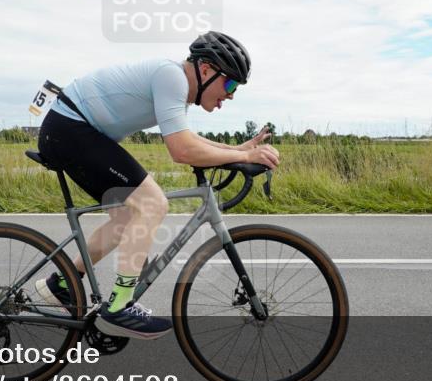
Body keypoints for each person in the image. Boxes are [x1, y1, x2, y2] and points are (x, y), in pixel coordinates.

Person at [35, 31, 279, 339]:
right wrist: (240, 154)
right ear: (206, 70)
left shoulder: (176, 85)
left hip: (72, 130)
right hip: (71, 128)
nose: (230, 94)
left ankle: (63, 284)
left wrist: (240, 151)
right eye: (229, 84)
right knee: (152, 203)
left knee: (128, 218)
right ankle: (120, 306)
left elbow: (189, 138)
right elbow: (182, 150)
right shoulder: (171, 77)